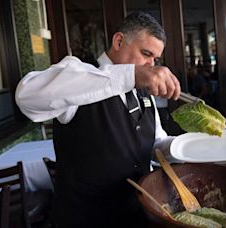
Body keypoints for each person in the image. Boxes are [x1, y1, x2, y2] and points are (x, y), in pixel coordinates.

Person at [15, 12, 181, 227]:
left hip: (137, 212)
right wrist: (129, 74)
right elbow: (26, 96)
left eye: (154, 59)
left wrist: (189, 147)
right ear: (119, 41)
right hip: (84, 218)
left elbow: (155, 143)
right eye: (146, 53)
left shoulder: (142, 91)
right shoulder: (79, 74)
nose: (150, 65)